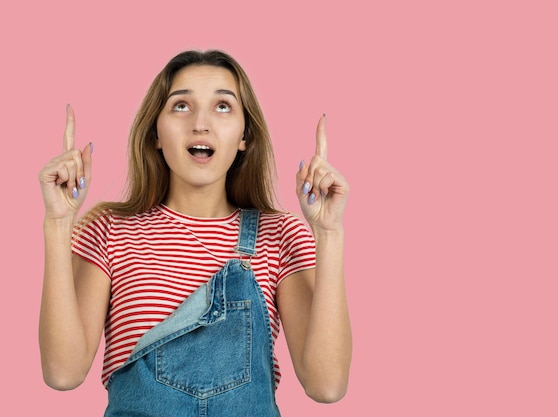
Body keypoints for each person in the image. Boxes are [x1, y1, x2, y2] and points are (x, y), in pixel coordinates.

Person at [38, 49, 352, 416]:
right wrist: (58, 223)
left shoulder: (279, 235)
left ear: (244, 137)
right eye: (181, 106)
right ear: (155, 133)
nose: (201, 123)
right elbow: (63, 372)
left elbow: (327, 385)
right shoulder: (109, 230)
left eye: (222, 106)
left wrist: (328, 233)